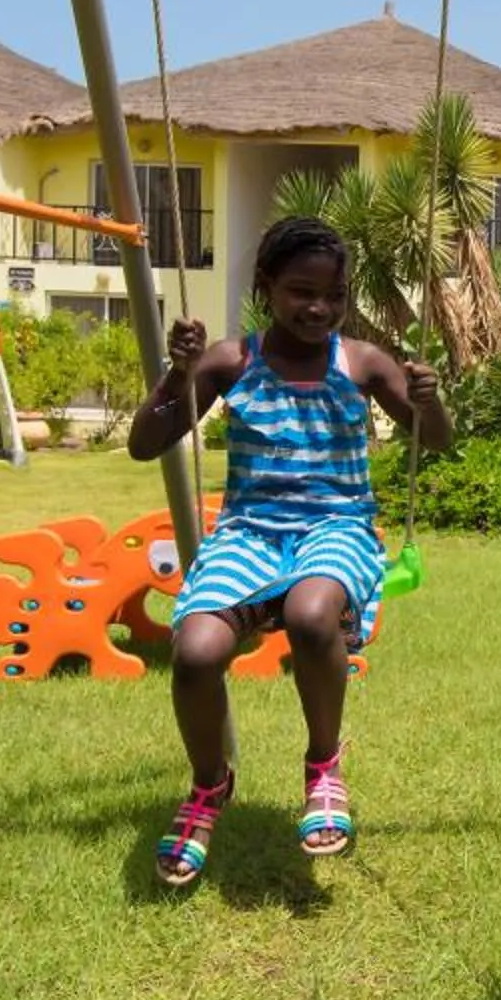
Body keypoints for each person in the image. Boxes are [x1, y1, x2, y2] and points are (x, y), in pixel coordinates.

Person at [128, 216, 448, 887]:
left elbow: (436, 441)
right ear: (265, 286)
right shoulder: (230, 363)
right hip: (250, 533)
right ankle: (210, 786)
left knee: (309, 615)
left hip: (338, 527)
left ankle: (324, 764)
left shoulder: (360, 363)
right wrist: (176, 375)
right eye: (301, 291)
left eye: (334, 296)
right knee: (194, 654)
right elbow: (145, 443)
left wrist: (431, 401)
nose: (318, 308)